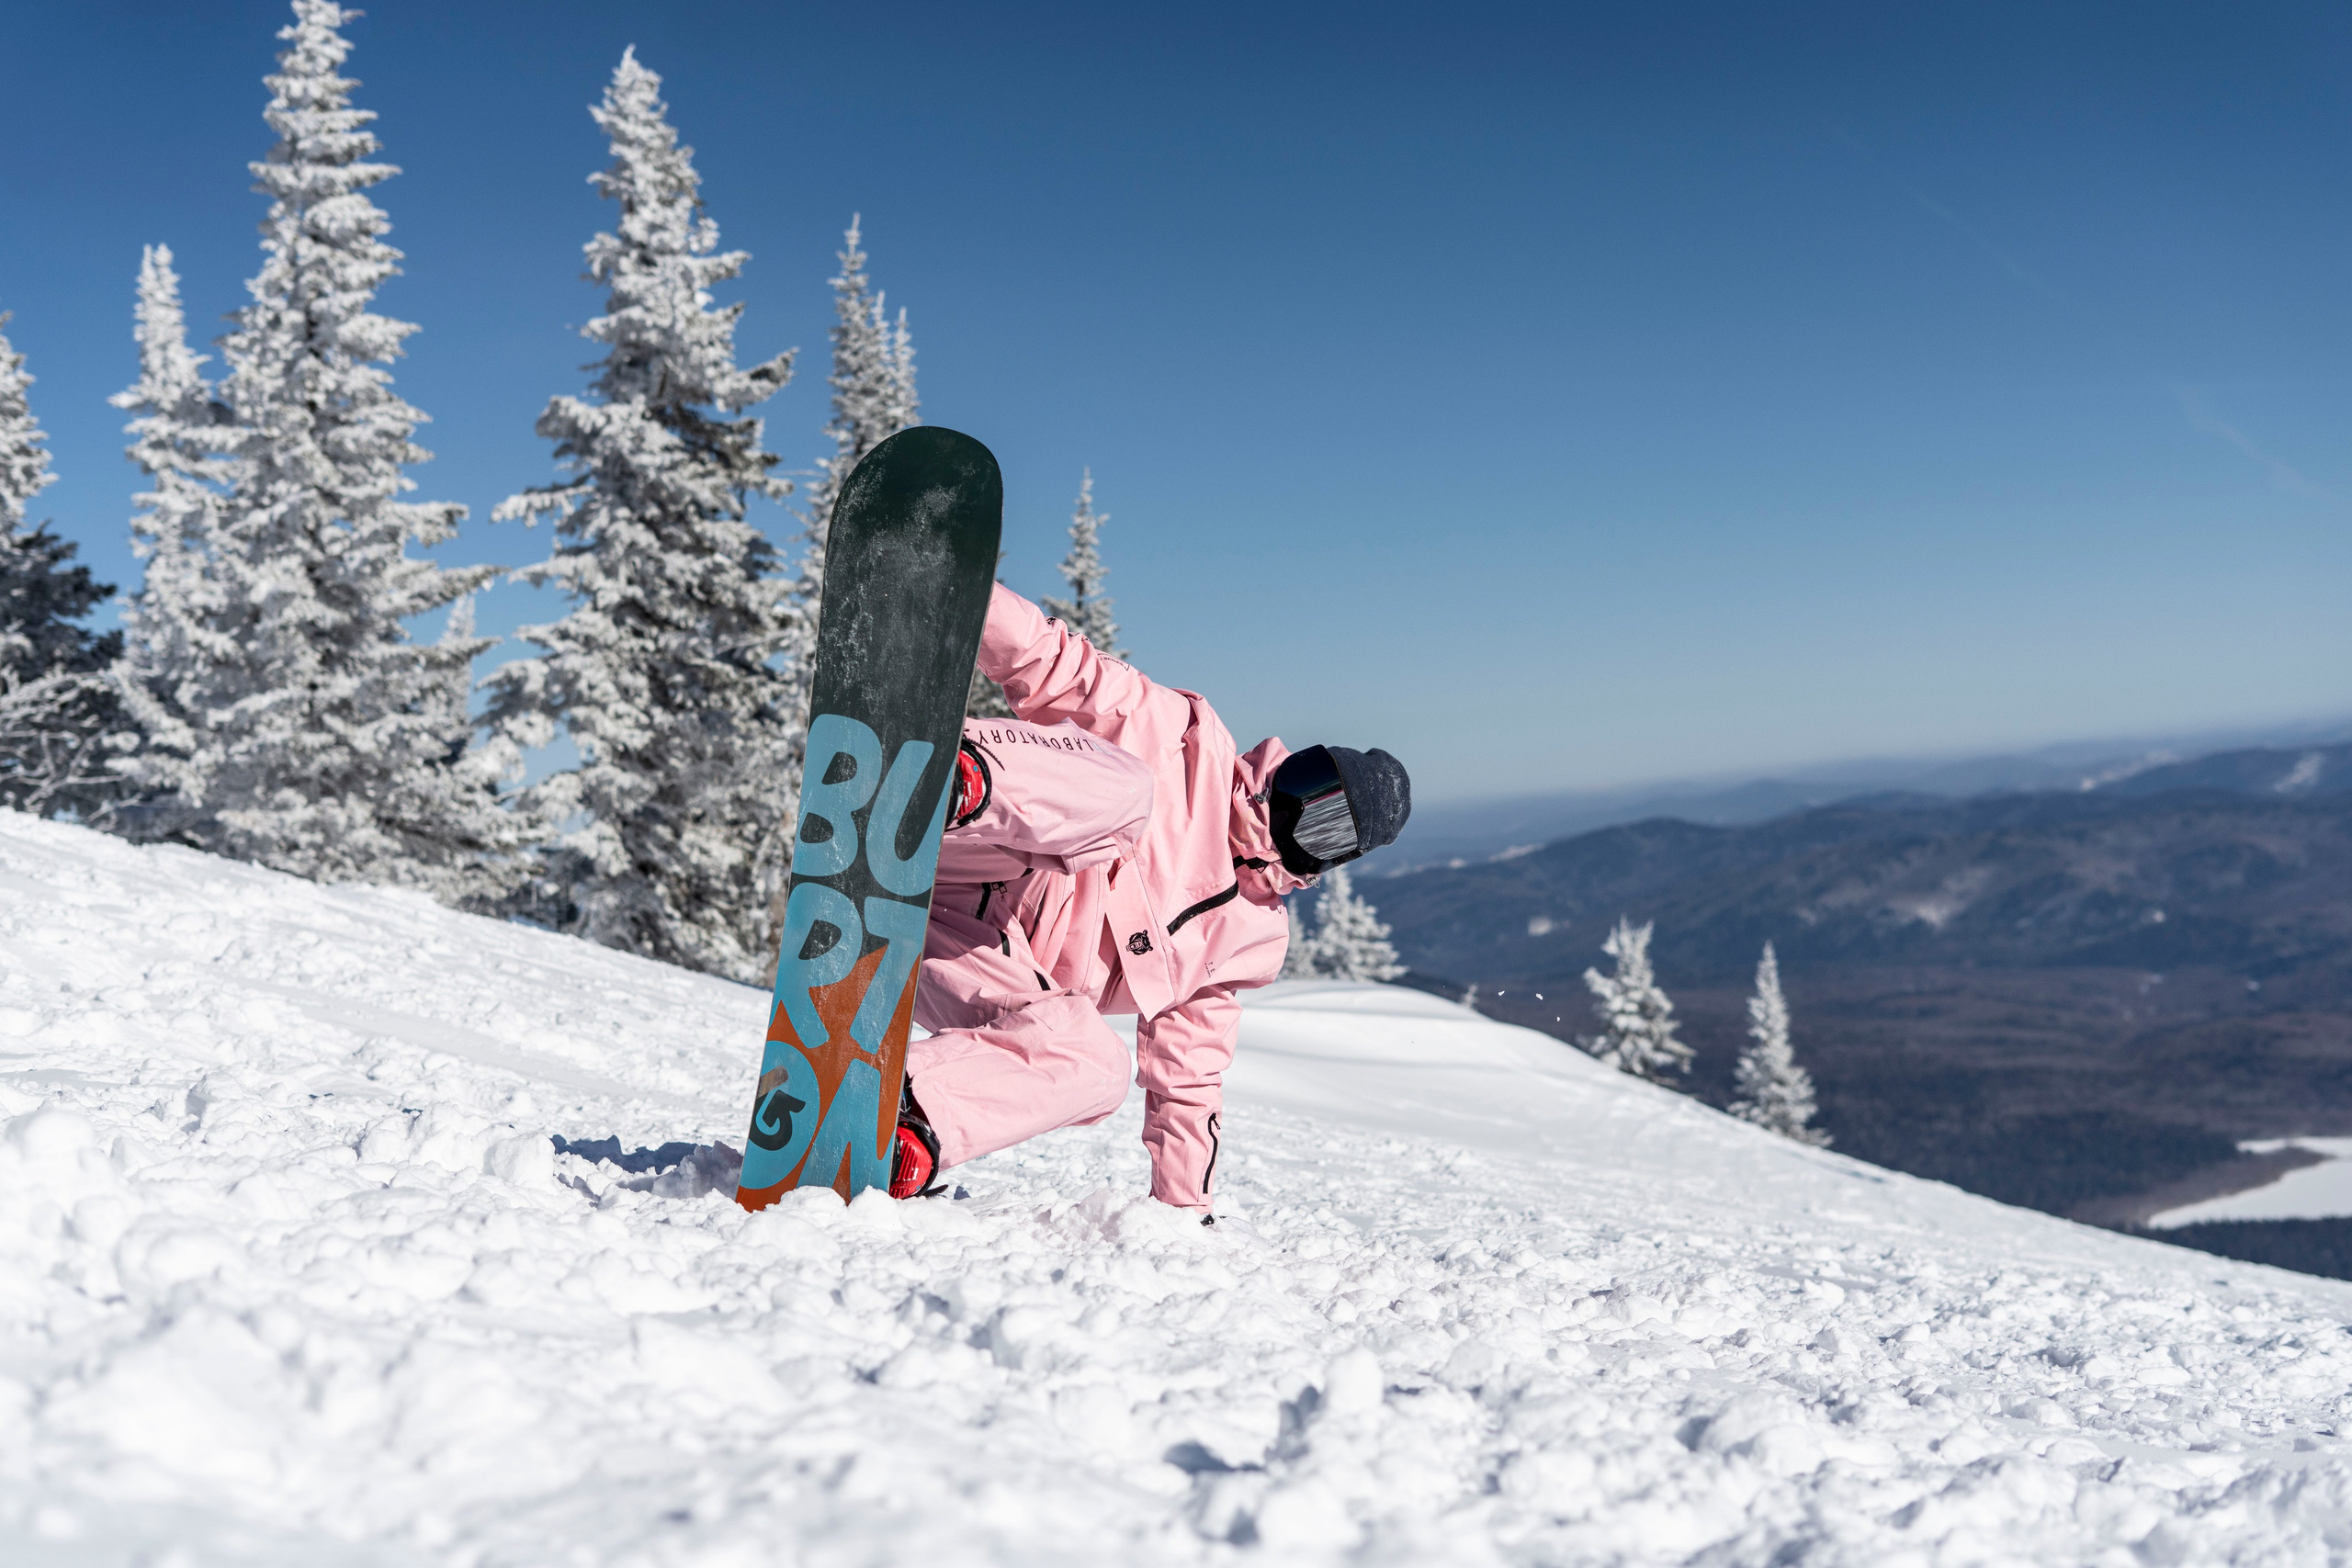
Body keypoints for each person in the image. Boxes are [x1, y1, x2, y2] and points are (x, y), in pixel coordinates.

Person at [888, 584, 1411, 1215]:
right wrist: (956, 591)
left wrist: (1185, 1218)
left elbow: (1188, 1083)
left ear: (1328, 860)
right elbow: (1055, 662)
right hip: (971, 843)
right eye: (1309, 785)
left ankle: (899, 1121)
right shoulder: (1184, 743)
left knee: (1096, 1065)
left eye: (1325, 827)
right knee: (1129, 790)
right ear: (1290, 764)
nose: (1297, 813)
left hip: (968, 956)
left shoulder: (1244, 941)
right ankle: (946, 783)